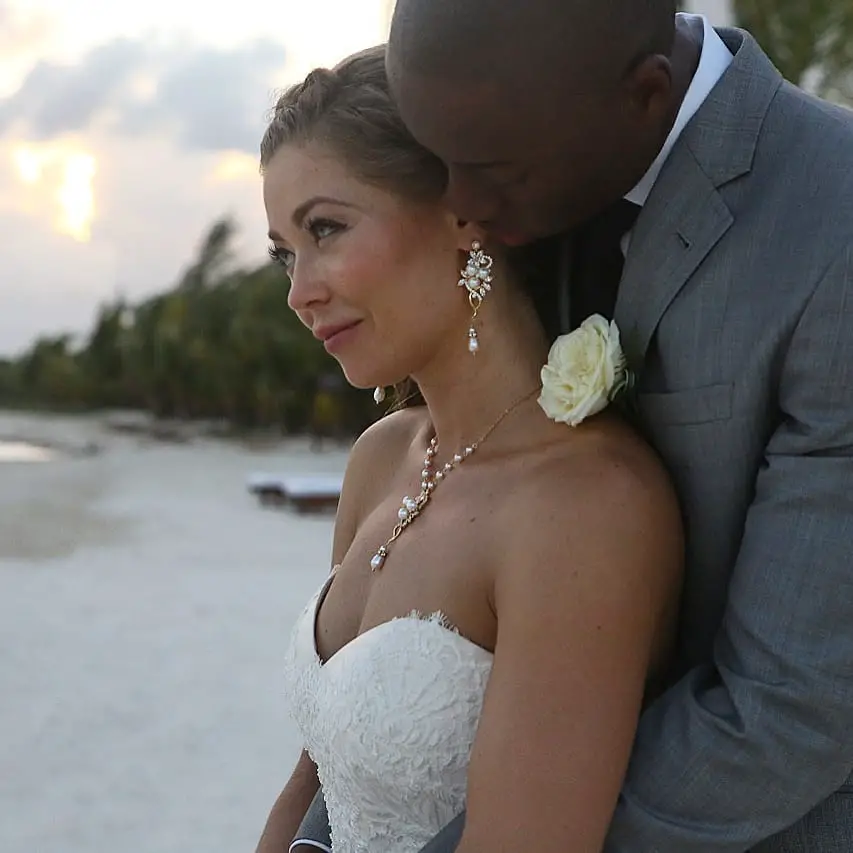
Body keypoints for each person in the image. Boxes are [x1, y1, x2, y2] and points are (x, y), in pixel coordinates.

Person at [294, 1, 853, 851]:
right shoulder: (529, 142)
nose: (461, 207)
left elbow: (790, 709)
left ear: (644, 94)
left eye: (486, 171)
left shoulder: (832, 231)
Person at [254, 45, 683, 853]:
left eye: (325, 229)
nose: (297, 289)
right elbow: (315, 780)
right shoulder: (380, 458)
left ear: (462, 212)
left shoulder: (583, 506)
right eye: (284, 251)